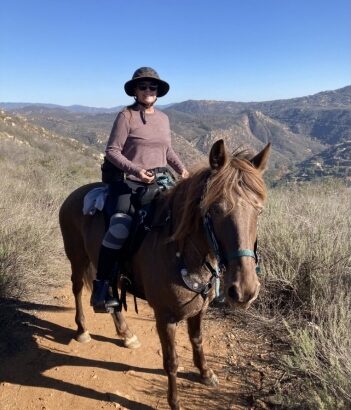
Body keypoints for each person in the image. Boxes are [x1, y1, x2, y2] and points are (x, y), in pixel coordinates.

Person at [91, 67, 189, 313]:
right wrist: (136, 171)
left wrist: (182, 171)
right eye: (143, 86)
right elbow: (112, 151)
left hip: (160, 178)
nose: (148, 91)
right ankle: (102, 285)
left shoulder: (163, 118)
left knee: (182, 217)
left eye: (152, 87)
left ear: (158, 92)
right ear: (135, 90)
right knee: (119, 226)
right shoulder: (126, 116)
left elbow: (167, 151)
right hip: (129, 181)